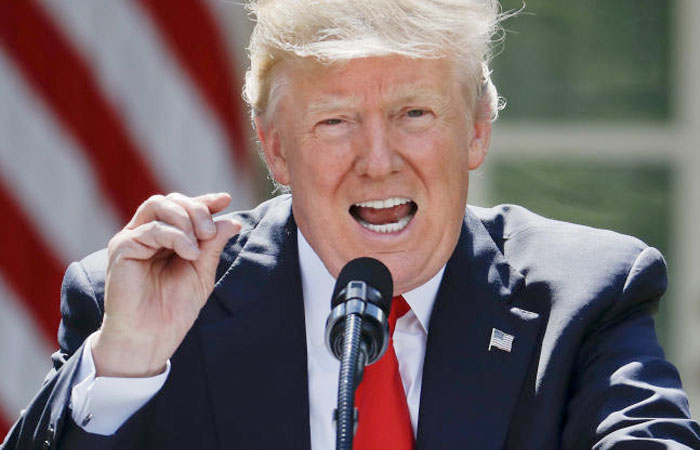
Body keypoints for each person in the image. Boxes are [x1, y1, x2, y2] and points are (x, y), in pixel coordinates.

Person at [3, 0, 700, 449]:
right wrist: (127, 364)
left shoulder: (585, 297)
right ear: (275, 146)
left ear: (477, 130)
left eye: (414, 114)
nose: (378, 161)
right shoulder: (152, 306)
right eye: (335, 122)